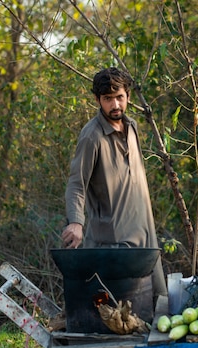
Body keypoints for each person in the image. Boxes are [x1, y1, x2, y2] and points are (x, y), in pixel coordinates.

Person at [61, 67, 167, 298]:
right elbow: (76, 184)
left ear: (128, 95)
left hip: (145, 237)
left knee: (160, 306)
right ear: (97, 99)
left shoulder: (132, 128)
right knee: (120, 315)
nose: (115, 105)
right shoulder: (92, 136)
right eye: (108, 99)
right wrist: (76, 222)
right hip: (113, 245)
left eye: (119, 97)